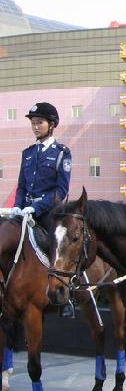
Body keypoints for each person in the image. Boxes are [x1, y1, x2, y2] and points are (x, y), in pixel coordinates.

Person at [10, 102, 74, 319]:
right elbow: (21, 186)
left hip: (49, 213)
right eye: (33, 123)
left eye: (40, 123)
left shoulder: (61, 153)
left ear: (52, 125)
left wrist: (36, 207)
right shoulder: (28, 153)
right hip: (25, 211)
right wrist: (17, 207)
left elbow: (61, 191)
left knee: (59, 246)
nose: (35, 127)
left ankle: (67, 297)